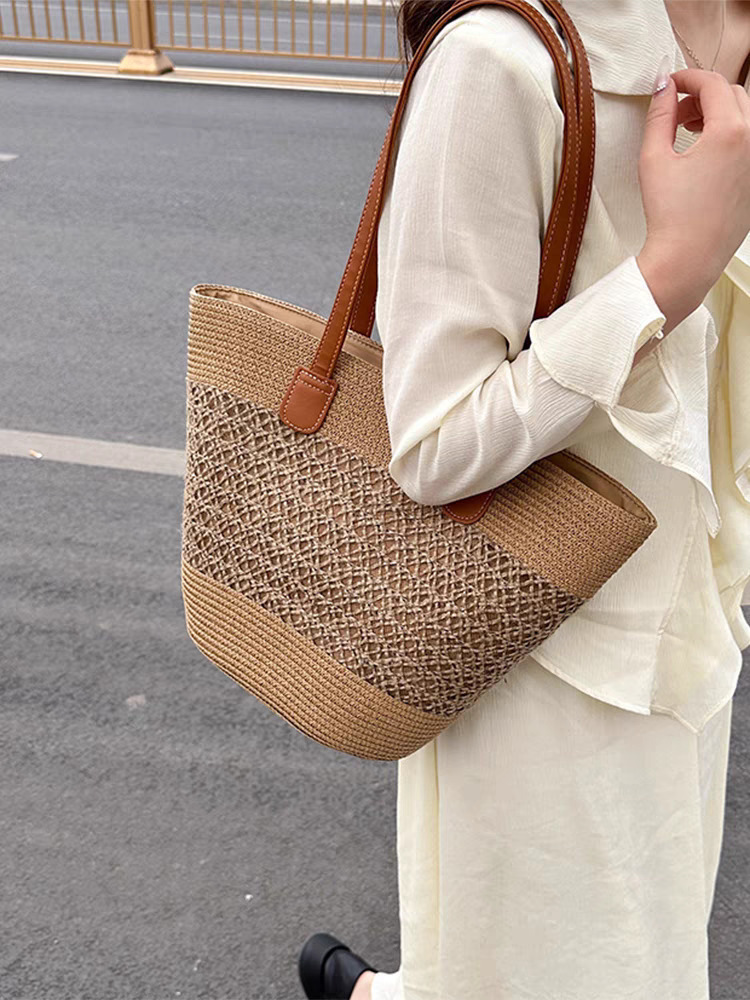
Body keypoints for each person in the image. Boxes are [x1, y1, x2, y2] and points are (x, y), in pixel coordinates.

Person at [297, 1, 750, 997]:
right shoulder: (499, 61)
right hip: (537, 654)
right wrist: (663, 278)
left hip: (694, 640)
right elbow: (435, 440)